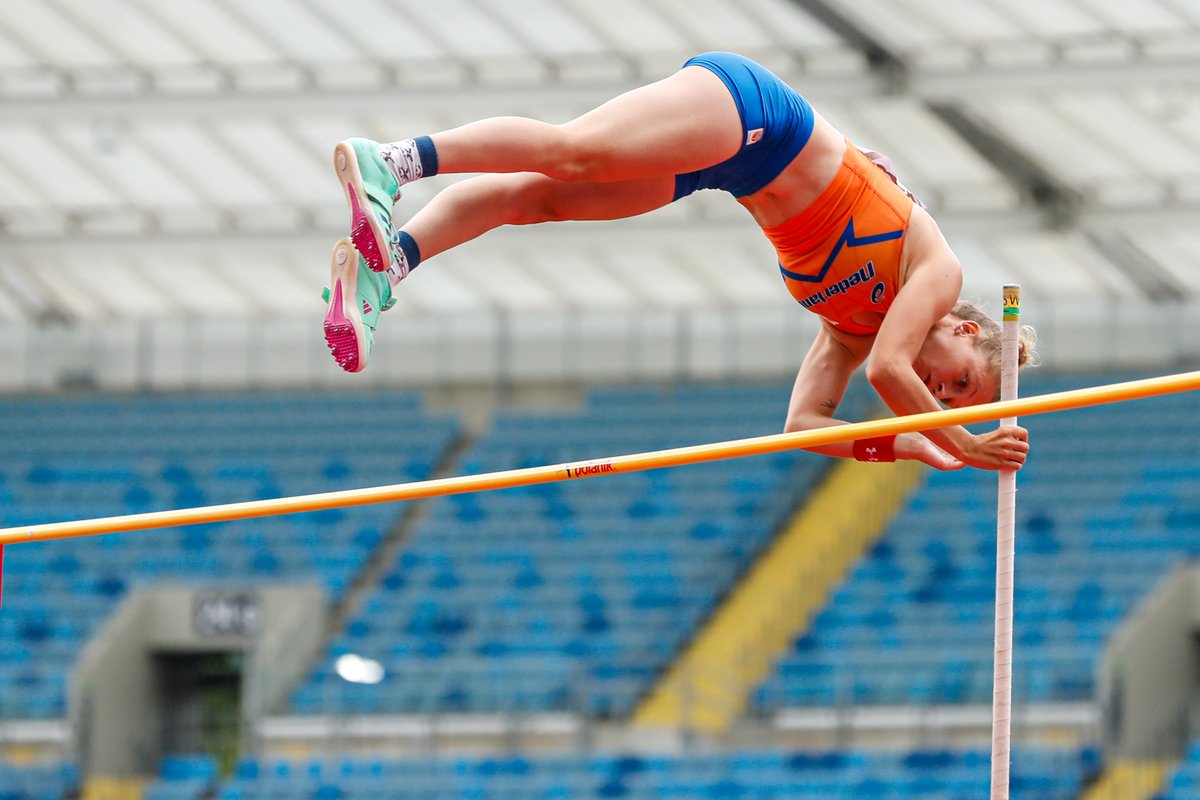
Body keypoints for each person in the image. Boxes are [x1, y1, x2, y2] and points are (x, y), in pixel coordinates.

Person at [323, 51, 1034, 472]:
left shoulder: (851, 328)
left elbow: (803, 427)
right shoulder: (936, 271)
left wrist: (907, 447)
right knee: (578, 152)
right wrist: (966, 442)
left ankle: (389, 266)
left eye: (947, 400)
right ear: (967, 332)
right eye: (960, 382)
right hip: (755, 113)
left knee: (542, 201)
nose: (938, 393)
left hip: (727, 169)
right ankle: (395, 161)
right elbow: (890, 372)